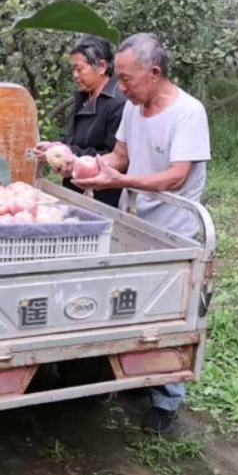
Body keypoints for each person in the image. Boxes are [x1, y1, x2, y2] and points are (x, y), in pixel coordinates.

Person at [72, 33, 210, 435]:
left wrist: (121, 180)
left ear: (154, 73)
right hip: (134, 221)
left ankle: (167, 400)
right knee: (129, 305)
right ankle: (136, 372)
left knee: (169, 314)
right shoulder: (133, 108)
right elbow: (119, 157)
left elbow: (176, 176)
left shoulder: (188, 113)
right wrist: (82, 167)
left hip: (174, 231)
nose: (121, 87)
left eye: (127, 78)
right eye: (118, 77)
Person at [31, 35, 127, 208]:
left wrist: (71, 154)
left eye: (79, 69)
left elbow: (115, 156)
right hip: (76, 192)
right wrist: (55, 148)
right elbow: (74, 139)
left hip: (101, 199)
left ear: (101, 67)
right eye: (73, 69)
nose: (75, 75)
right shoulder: (84, 98)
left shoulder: (118, 104)